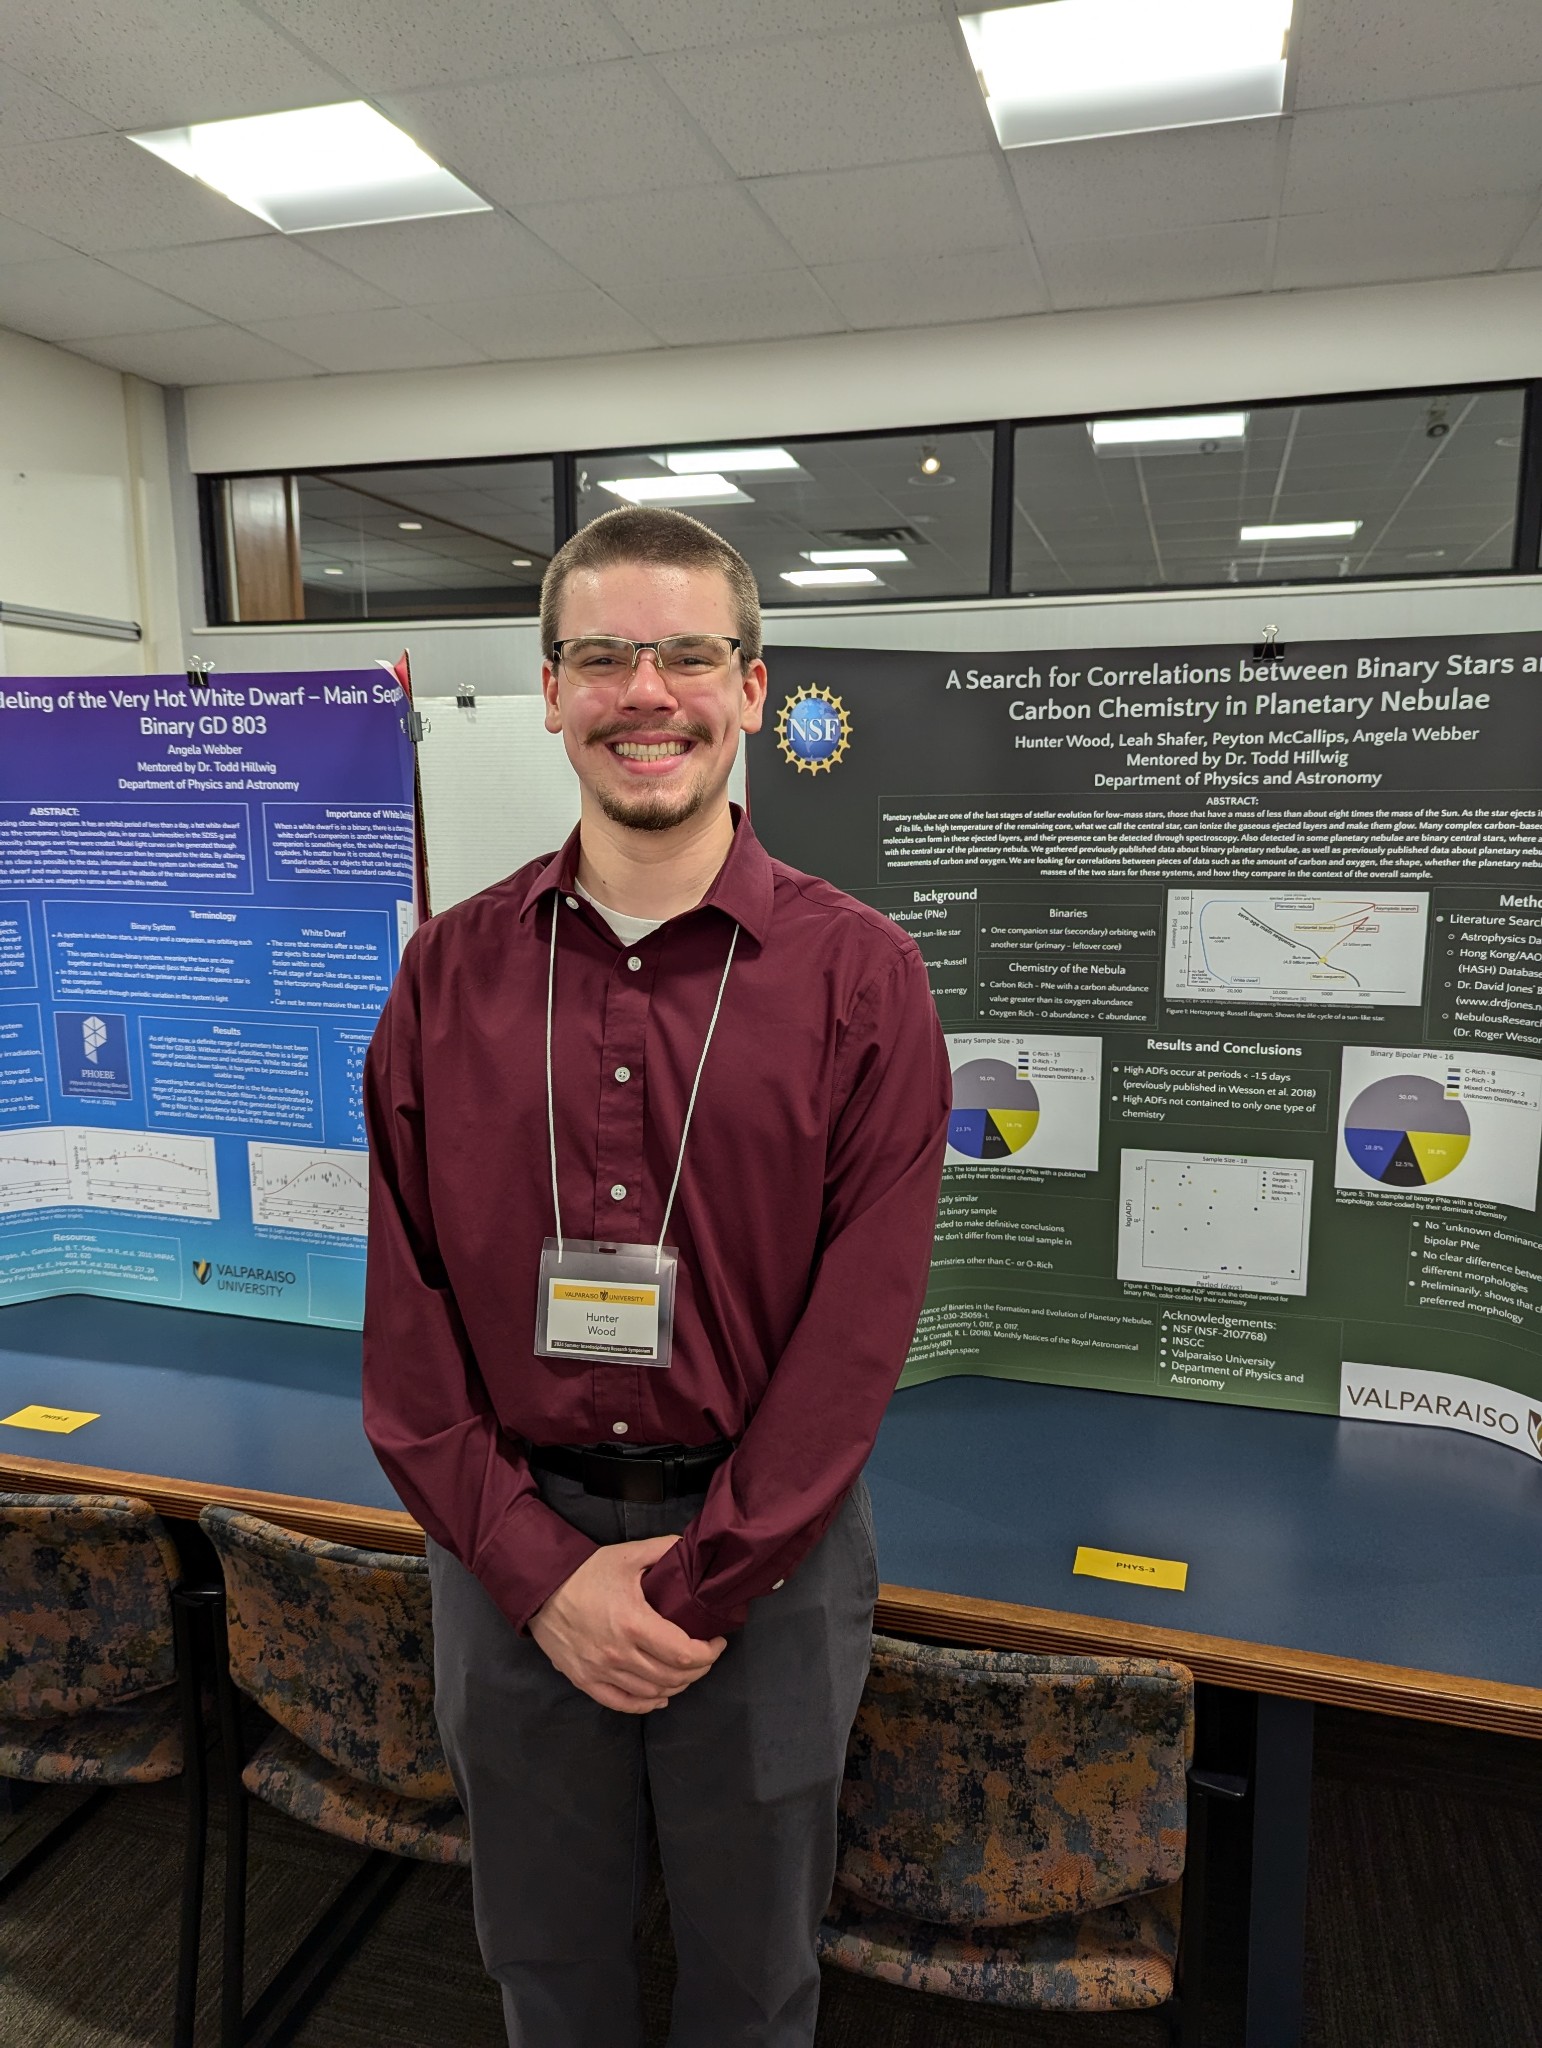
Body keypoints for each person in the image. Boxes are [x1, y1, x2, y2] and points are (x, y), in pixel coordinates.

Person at [362, 505, 950, 2048]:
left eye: (689, 655)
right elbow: (407, 1335)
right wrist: (546, 1578)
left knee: (756, 1983)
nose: (648, 692)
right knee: (542, 1969)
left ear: (751, 689)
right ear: (549, 689)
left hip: (768, 1563)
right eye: (604, 655)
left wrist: (696, 1581)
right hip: (509, 1558)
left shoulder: (861, 977)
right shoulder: (445, 977)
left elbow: (857, 1334)